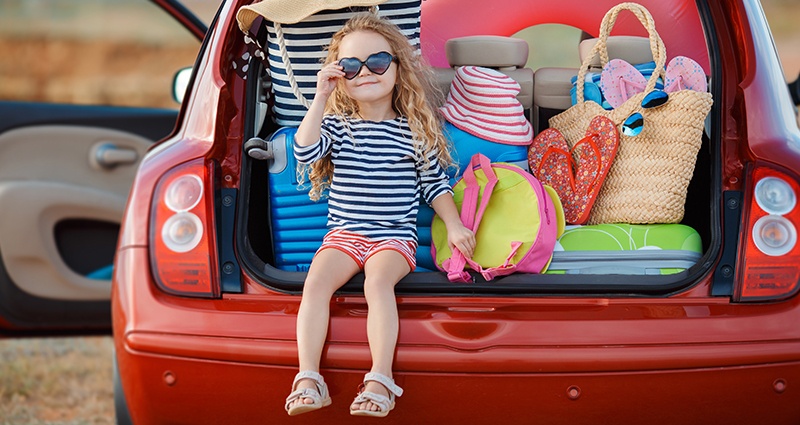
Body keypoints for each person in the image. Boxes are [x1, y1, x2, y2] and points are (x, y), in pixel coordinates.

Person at [284, 12, 475, 418]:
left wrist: (455, 224)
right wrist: (319, 96)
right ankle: (308, 378)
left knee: (377, 284)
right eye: (351, 66)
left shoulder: (413, 131)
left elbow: (434, 186)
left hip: (393, 238)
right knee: (316, 283)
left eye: (378, 62)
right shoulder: (337, 127)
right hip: (343, 235)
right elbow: (302, 150)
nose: (366, 72)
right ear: (340, 77)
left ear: (397, 67)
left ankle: (381, 380)